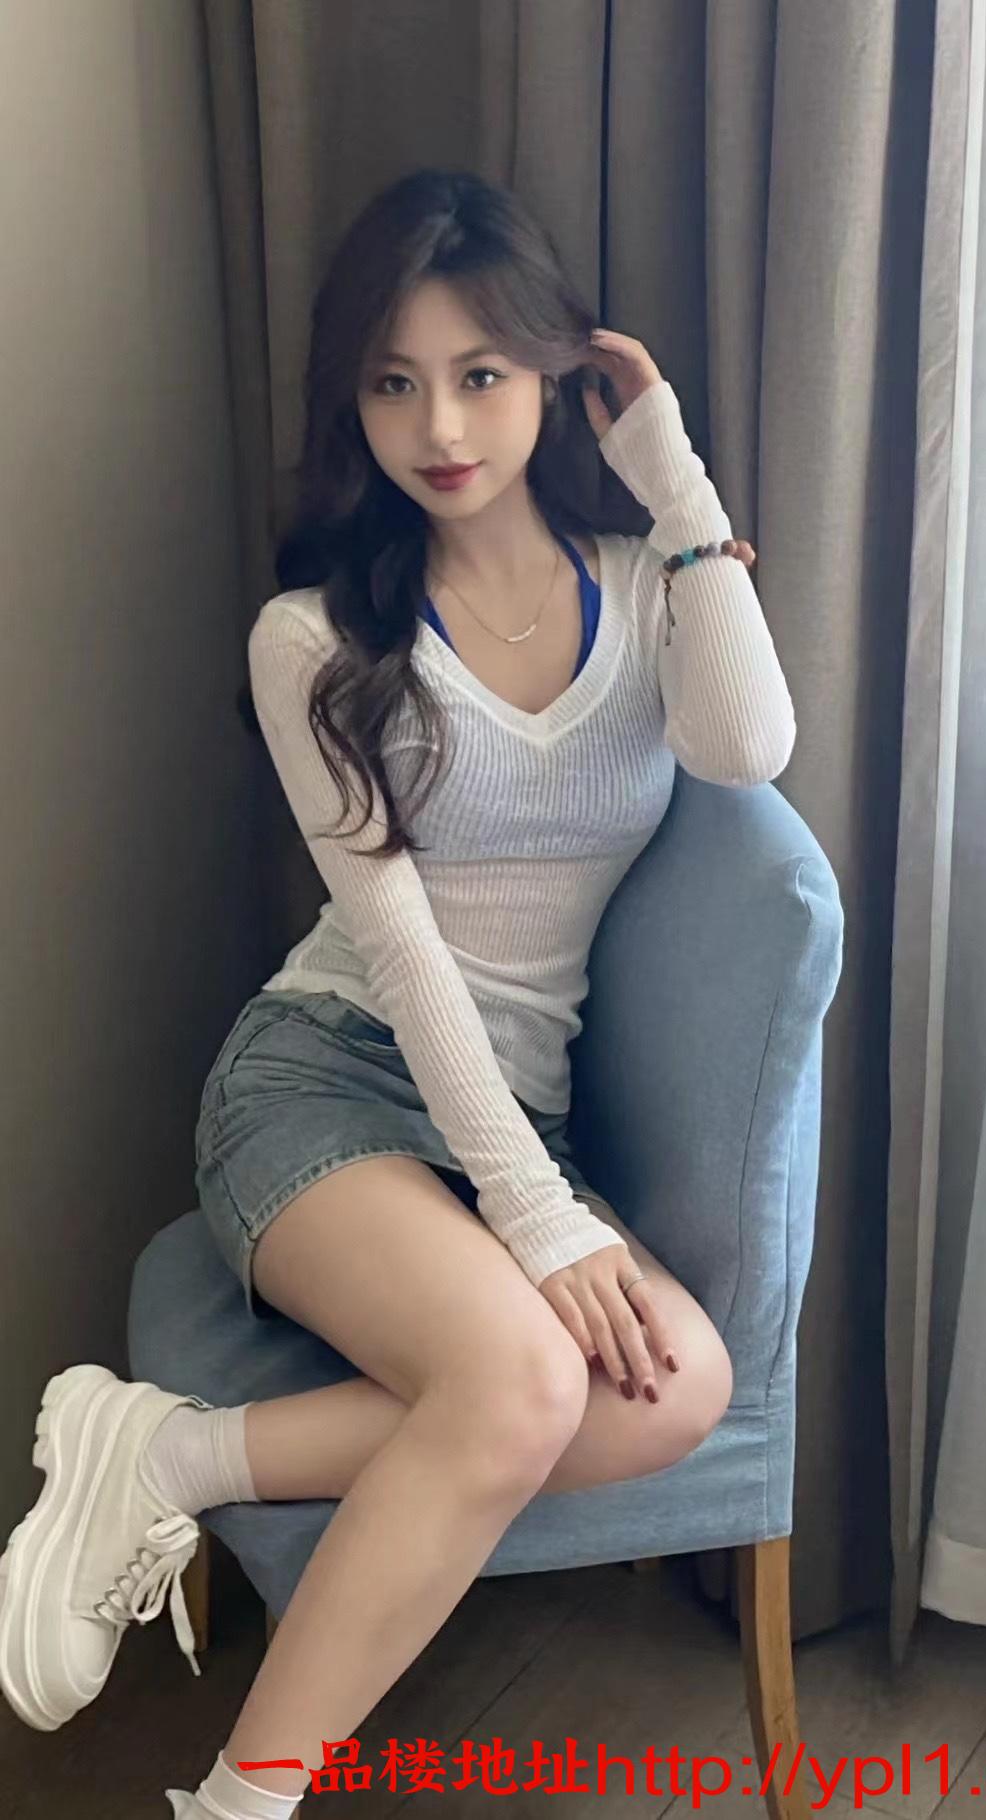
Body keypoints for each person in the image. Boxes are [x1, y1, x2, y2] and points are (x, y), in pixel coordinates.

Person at [0, 167, 795, 1817]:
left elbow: (749, 748)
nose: (438, 426)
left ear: (555, 375)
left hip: (502, 1119)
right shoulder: (316, 638)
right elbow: (408, 953)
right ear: (347, 400)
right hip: (325, 1079)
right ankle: (240, 1804)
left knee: (687, 1388)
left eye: (482, 374)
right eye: (391, 381)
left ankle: (165, 1451)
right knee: (525, 1380)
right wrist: (541, 1219)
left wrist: (673, 480)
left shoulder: (645, 584)